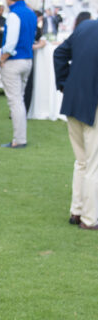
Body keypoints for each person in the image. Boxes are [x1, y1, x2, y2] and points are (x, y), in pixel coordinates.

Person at [53, 16, 98, 229]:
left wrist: (64, 83)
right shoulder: (86, 27)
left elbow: (59, 53)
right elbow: (59, 53)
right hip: (91, 104)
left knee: (82, 161)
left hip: (74, 100)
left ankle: (77, 211)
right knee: (92, 163)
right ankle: (89, 218)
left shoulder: (85, 27)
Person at [0, 0, 37, 148]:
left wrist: (3, 58)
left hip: (14, 60)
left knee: (15, 101)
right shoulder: (31, 13)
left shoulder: (14, 15)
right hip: (28, 59)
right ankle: (20, 137)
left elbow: (11, 42)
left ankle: (19, 139)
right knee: (19, 99)